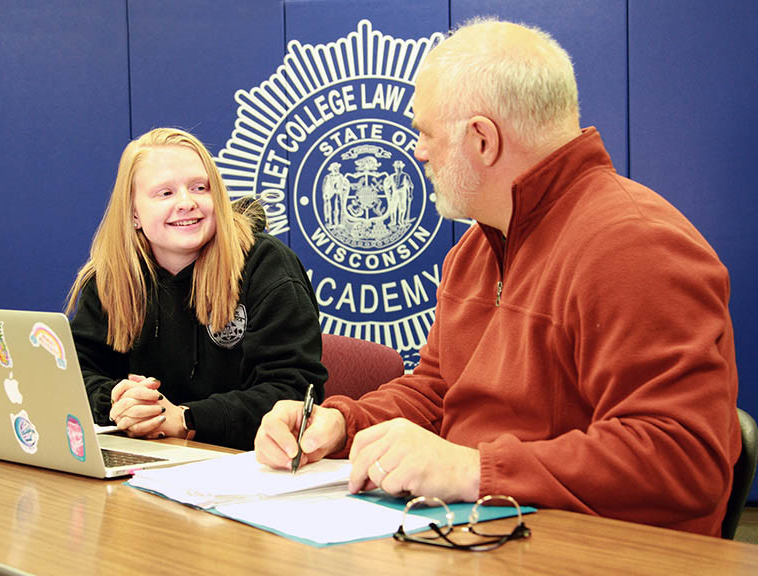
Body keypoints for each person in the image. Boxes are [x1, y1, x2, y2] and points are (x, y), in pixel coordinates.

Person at [254, 18, 740, 536]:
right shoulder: (477, 248)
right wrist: (343, 423)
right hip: (483, 534)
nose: (418, 152)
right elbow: (439, 390)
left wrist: (473, 470)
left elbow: (683, 459)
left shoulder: (636, 247)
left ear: (482, 140)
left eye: (426, 133)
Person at [66, 128, 326, 450]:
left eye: (199, 188)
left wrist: (185, 419)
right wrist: (118, 402)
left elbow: (294, 391)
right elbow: (73, 371)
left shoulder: (267, 265)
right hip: (148, 462)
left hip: (243, 466)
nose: (186, 203)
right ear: (134, 213)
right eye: (165, 193)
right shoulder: (112, 277)